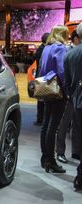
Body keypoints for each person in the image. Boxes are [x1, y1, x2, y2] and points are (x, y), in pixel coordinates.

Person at [39, 26, 69, 173]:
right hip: (57, 90)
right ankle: (50, 160)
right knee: (53, 127)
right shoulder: (60, 48)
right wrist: (67, 90)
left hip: (46, 88)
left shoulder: (46, 48)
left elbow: (41, 68)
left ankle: (45, 157)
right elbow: (62, 71)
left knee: (46, 125)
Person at [56, 29, 81, 164]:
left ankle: (75, 152)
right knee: (64, 124)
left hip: (76, 94)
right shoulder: (66, 51)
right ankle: (60, 152)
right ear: (76, 38)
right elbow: (64, 74)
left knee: (76, 125)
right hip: (69, 95)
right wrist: (68, 93)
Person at [64, 23, 82, 190]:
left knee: (79, 133)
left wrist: (73, 94)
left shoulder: (70, 55)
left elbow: (67, 82)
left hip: (78, 101)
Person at [34, 32, 50, 125]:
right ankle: (40, 118)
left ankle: (41, 118)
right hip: (41, 77)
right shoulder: (42, 49)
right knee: (41, 99)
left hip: (41, 77)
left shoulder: (42, 48)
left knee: (41, 98)